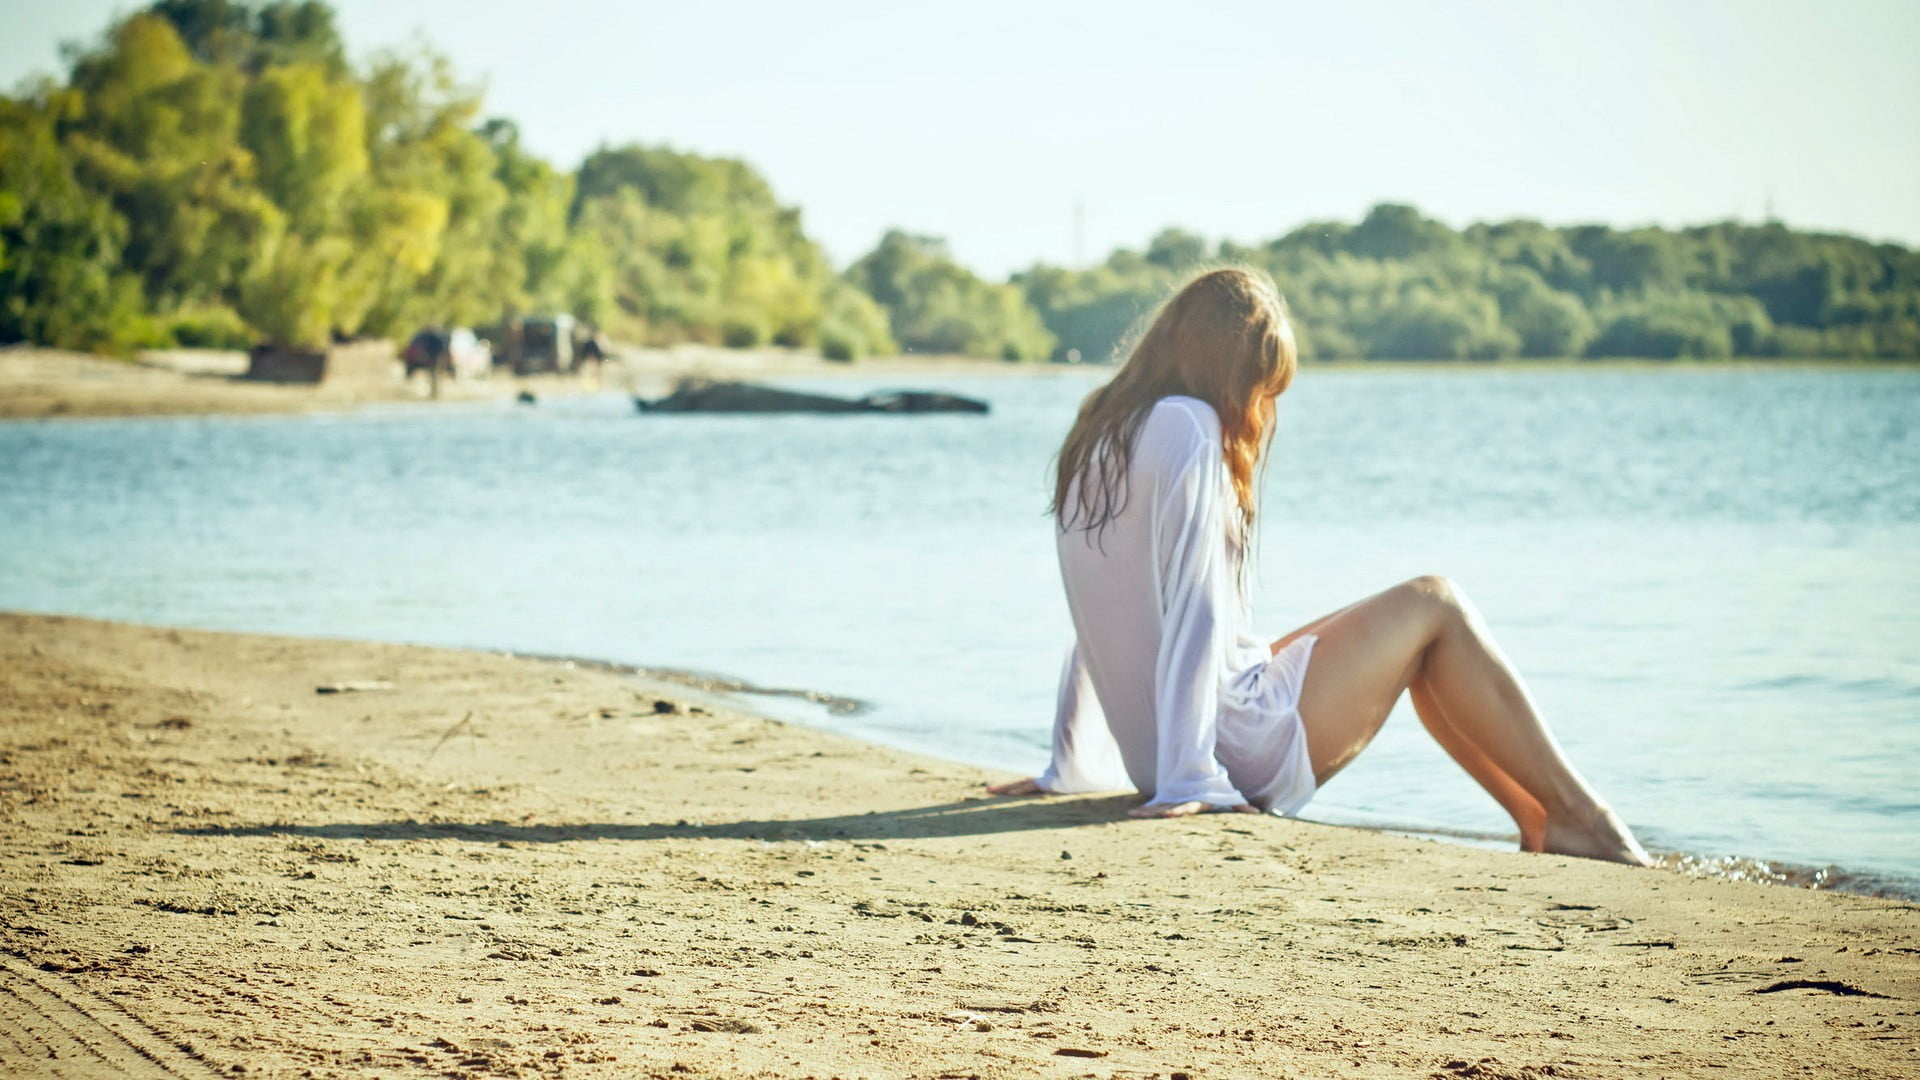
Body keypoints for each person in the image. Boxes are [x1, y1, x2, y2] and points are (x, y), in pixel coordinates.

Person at [988, 267, 1651, 866]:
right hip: (1229, 749)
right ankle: (1585, 818)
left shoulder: (1100, 427)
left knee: (1418, 642)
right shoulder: (1187, 426)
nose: (1262, 411)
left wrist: (1070, 764)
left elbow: (1106, 611)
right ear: (1225, 371)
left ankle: (1542, 821)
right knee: (1435, 603)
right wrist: (1192, 778)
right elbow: (1197, 608)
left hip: (1161, 753)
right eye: (1260, 387)